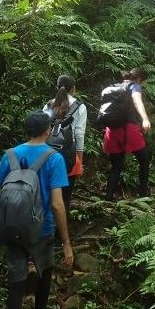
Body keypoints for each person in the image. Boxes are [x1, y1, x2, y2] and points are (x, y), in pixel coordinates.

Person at [0, 111, 74, 309]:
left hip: (12, 229)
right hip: (42, 229)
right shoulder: (54, 158)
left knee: (16, 282)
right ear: (47, 130)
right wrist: (66, 243)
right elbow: (57, 204)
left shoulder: (10, 155)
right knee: (45, 272)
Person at [103, 68, 152, 200]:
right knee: (144, 161)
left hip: (111, 130)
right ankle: (143, 194)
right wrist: (145, 119)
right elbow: (137, 101)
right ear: (140, 79)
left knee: (116, 167)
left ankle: (108, 197)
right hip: (129, 129)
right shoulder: (134, 86)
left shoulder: (115, 88)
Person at [43, 75, 87, 219]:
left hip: (47, 153)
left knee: (48, 192)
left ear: (57, 87)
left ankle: (46, 225)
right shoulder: (79, 107)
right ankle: (62, 228)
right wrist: (79, 159)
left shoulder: (48, 105)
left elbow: (43, 130)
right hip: (69, 154)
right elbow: (79, 134)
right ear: (73, 88)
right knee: (66, 196)